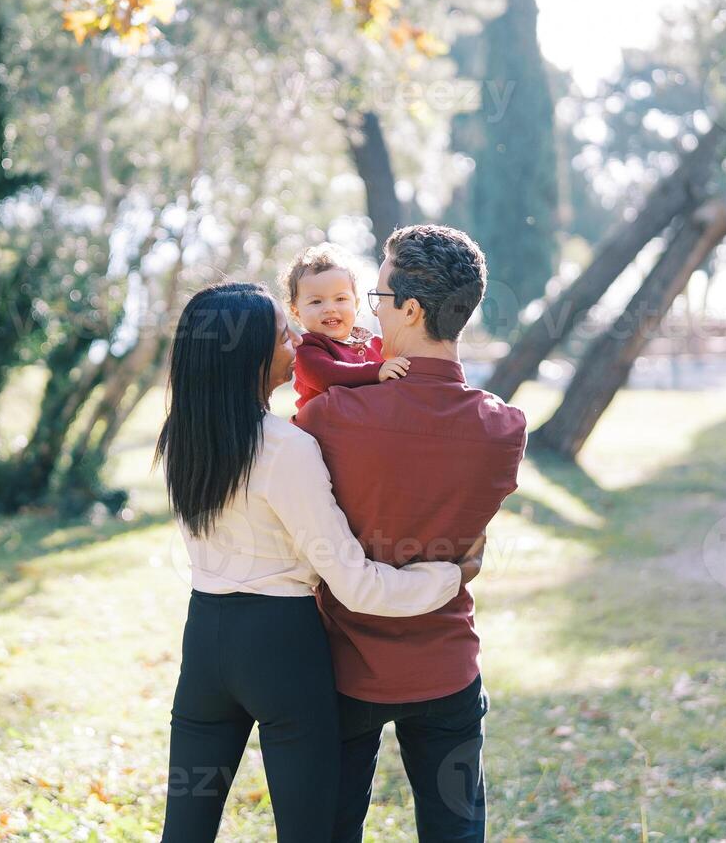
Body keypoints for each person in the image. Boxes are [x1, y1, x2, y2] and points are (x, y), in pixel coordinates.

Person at [155, 280, 487, 843]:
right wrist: (450, 574)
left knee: (184, 830)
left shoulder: (182, 440)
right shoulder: (285, 448)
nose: (300, 343)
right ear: (253, 357)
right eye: (286, 336)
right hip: (281, 647)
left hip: (205, 640)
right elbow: (356, 584)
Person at [293, 224, 528, 843]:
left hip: (343, 667)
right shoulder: (504, 430)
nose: (364, 312)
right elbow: (464, 538)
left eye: (375, 297)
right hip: (446, 663)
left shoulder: (327, 416)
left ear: (411, 308)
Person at [281, 242, 411, 409]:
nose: (329, 308)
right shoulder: (307, 348)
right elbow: (329, 375)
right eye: (316, 301)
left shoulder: (376, 344)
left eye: (340, 299)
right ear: (296, 311)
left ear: (356, 304)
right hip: (323, 429)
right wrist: (377, 371)